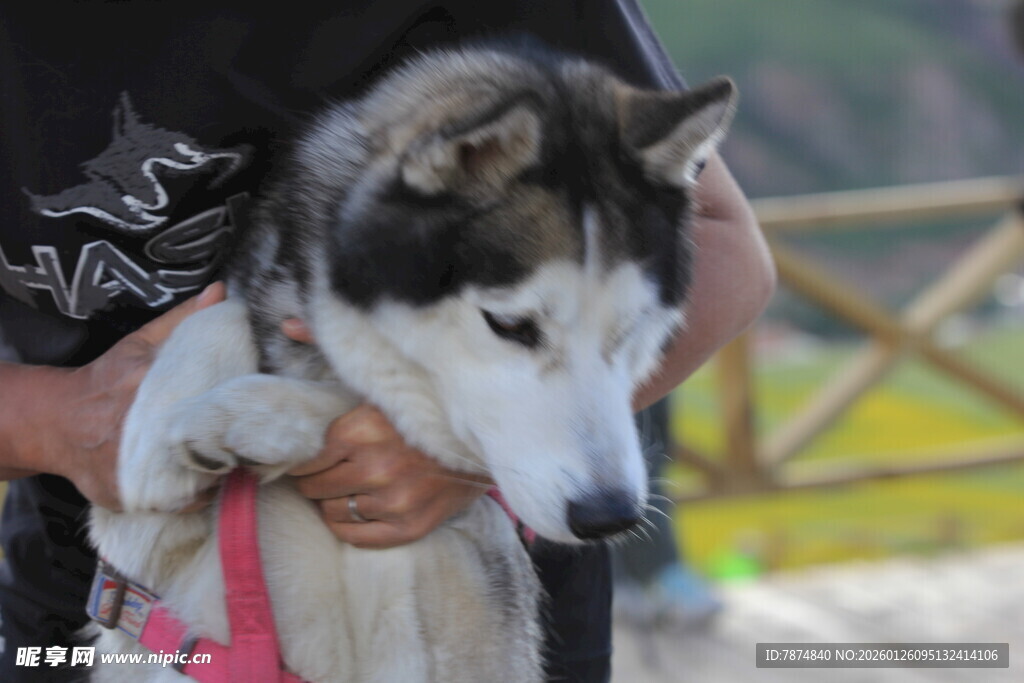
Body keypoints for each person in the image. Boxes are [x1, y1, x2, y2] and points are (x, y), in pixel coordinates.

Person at [0, 2, 774, 681]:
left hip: (475, 594)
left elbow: (725, 243)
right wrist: (52, 420)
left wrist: (452, 449)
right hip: (91, 605)